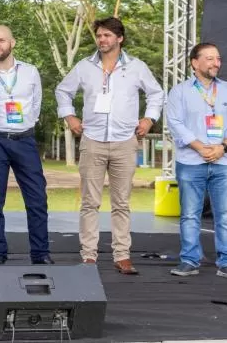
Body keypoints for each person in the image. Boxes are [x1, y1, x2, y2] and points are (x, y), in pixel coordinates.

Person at [55, 17, 164, 275]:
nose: (101, 40)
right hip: (92, 140)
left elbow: (157, 93)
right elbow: (62, 91)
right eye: (99, 35)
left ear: (120, 38)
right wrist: (70, 117)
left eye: (107, 35)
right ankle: (88, 256)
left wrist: (149, 119)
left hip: (125, 141)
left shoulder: (137, 67)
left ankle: (122, 255)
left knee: (121, 203)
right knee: (89, 202)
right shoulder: (84, 66)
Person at [165, 43, 227, 279]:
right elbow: (175, 123)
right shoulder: (179, 91)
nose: (216, 63)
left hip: (224, 162)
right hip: (191, 162)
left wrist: (223, 147)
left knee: (226, 215)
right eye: (210, 58)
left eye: (218, 58)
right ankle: (189, 261)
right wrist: (201, 147)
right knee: (190, 214)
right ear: (194, 62)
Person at [0, 25, 51, 265]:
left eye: (1, 40)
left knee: (37, 198)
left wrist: (27, 125)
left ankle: (40, 253)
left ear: (13, 43)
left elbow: (36, 103)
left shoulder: (30, 72)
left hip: (25, 140)